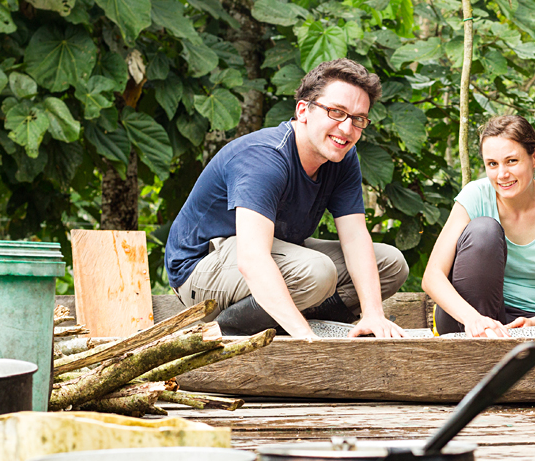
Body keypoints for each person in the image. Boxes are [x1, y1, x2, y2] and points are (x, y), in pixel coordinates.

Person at [165, 59, 409, 339]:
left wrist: (373, 314)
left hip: (273, 256)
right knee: (317, 272)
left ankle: (293, 320)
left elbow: (354, 236)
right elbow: (252, 257)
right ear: (303, 110)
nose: (346, 128)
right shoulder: (264, 157)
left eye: (358, 119)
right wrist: (306, 340)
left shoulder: (341, 156)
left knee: (390, 264)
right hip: (202, 270)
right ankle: (229, 329)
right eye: (336, 112)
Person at [421, 116, 535, 337]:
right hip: (467, 318)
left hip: (532, 319)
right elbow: (432, 277)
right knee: (485, 231)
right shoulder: (474, 195)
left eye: (511, 161)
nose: (502, 175)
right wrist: (474, 319)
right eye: (492, 164)